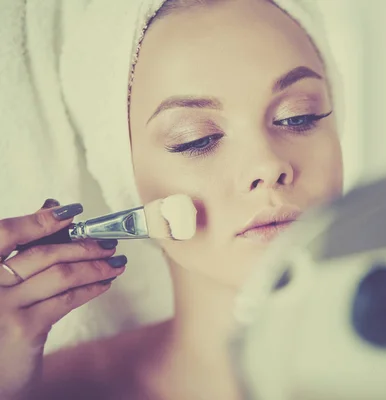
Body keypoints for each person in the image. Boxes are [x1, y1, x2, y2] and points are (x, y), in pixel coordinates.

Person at [0, 0, 344, 398]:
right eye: (197, 139)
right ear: (125, 173)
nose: (268, 165)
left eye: (297, 116)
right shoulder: (48, 389)